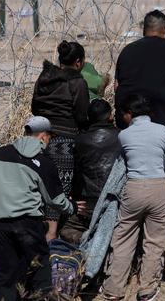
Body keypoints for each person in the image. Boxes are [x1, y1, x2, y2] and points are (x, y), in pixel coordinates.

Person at [0, 116, 85, 301]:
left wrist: (0, 198)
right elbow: (55, 200)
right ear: (44, 136)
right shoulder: (44, 162)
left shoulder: (2, 153)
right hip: (28, 225)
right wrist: (73, 207)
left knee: (3, 277)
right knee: (39, 274)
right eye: (50, 138)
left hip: (0, 225)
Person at [102, 94, 165, 301]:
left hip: (133, 189)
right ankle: (147, 288)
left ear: (130, 114)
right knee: (154, 240)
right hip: (158, 189)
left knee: (123, 238)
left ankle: (113, 289)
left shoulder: (124, 135)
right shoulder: (162, 131)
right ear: (150, 113)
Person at [32, 40, 90, 240]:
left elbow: (34, 107)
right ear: (78, 62)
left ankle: (38, 230)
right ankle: (52, 235)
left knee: (39, 185)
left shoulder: (45, 77)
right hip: (64, 142)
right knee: (58, 188)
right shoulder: (77, 82)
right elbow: (82, 115)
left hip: (38, 137)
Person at [114, 10, 165, 131]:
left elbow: (117, 86)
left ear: (144, 29)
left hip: (126, 117)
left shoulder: (127, 50)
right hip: (156, 117)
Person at [60, 99, 121, 245]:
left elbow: (75, 170)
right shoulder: (122, 136)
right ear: (110, 116)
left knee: (65, 229)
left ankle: (86, 239)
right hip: (115, 198)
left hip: (88, 201)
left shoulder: (80, 140)